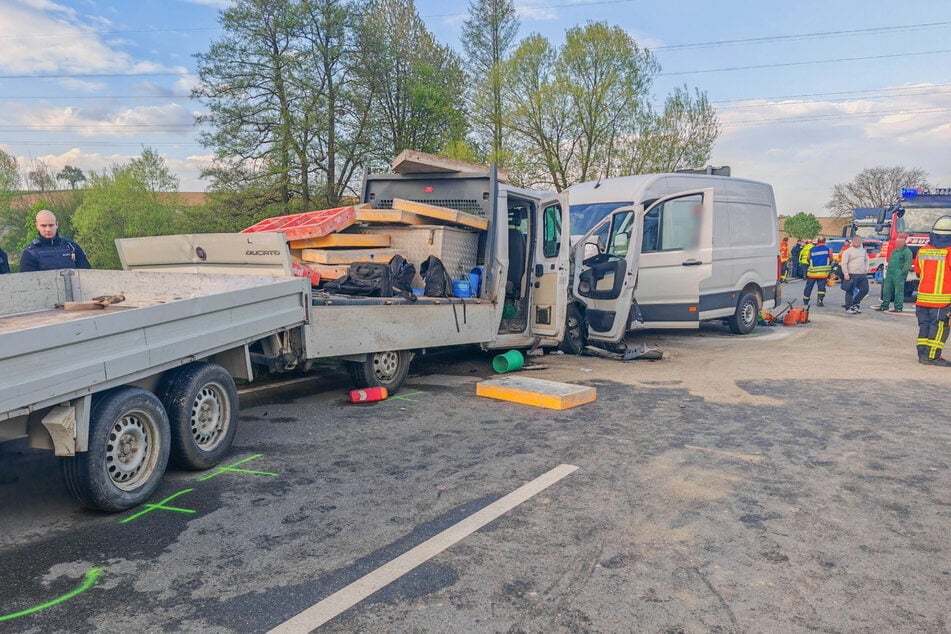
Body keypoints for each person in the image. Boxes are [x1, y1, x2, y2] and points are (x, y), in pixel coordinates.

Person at [913, 216, 951, 366]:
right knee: (940, 328)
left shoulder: (923, 250)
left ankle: (922, 355)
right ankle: (932, 356)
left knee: (925, 326)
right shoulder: (949, 251)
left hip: (922, 299)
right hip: (942, 300)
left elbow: (917, 271)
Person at [19, 210, 91, 272]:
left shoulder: (71, 246)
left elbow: (87, 274)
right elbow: (27, 283)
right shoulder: (30, 253)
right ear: (37, 225)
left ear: (57, 224)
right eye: (43, 226)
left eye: (51, 225)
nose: (48, 229)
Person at [877, 235, 912, 312]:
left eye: (899, 242)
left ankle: (898, 307)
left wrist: (902, 273)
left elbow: (908, 263)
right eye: (896, 242)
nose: (897, 244)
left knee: (898, 292)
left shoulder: (907, 251)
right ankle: (884, 306)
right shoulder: (894, 251)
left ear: (903, 243)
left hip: (899, 273)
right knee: (886, 290)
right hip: (890, 273)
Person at [839, 234, 869, 313]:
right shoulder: (848, 251)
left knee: (865, 289)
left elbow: (867, 260)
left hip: (861, 274)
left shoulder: (863, 251)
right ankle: (848, 307)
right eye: (856, 241)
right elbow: (844, 263)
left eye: (859, 241)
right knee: (850, 291)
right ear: (852, 241)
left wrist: (866, 269)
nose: (858, 242)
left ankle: (855, 303)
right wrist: (846, 273)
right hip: (851, 273)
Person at [802, 237, 832, 307]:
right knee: (821, 288)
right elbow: (831, 259)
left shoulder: (811, 250)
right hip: (823, 273)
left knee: (809, 287)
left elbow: (808, 259)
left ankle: (805, 300)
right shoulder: (828, 250)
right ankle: (819, 301)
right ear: (824, 242)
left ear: (817, 242)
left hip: (812, 273)